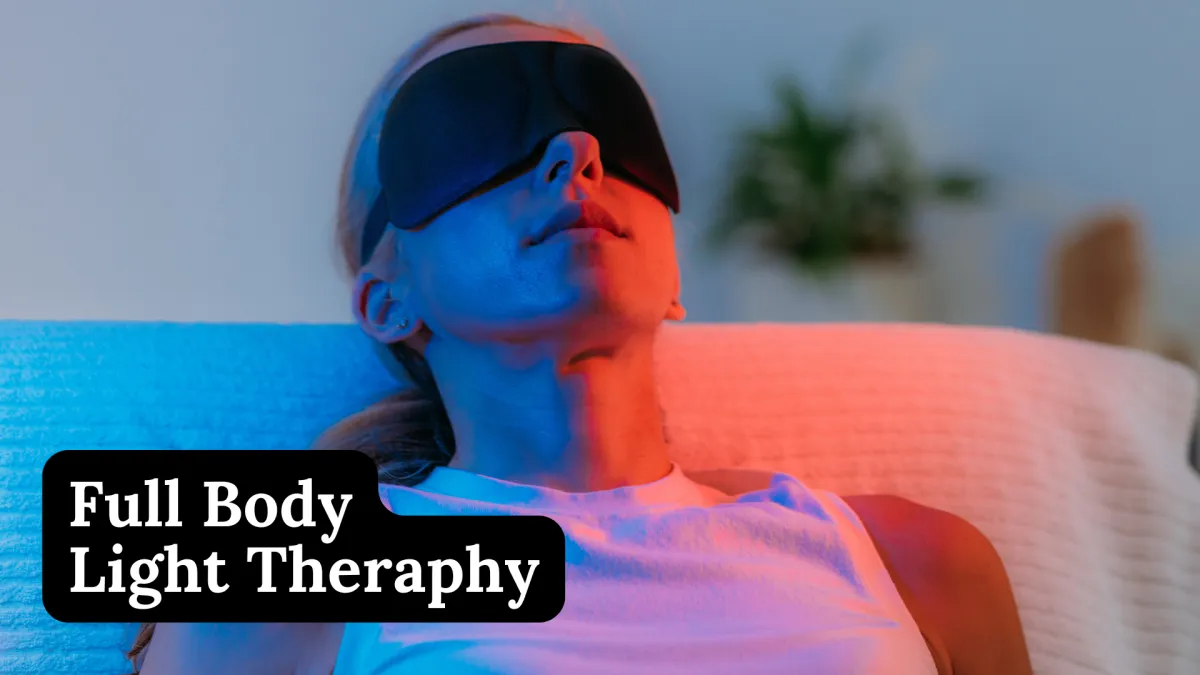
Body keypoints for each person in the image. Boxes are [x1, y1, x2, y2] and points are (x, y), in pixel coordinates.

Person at [131, 13, 1033, 675]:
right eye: (476, 127)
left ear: (675, 274)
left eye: (609, 115)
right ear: (386, 295)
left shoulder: (916, 563)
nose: (575, 147)